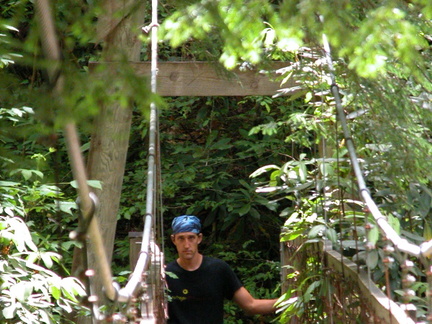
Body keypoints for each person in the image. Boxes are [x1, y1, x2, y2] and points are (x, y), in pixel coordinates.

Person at [165, 215, 278, 324]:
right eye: (181, 238)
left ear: (199, 238)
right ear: (173, 239)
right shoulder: (165, 274)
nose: (186, 245)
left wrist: (289, 302)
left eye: (191, 238)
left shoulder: (217, 270)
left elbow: (250, 305)